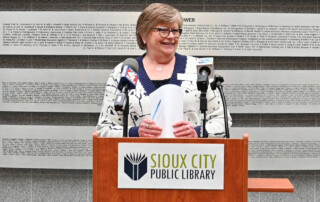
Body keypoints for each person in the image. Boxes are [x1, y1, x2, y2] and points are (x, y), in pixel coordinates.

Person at [96, 3, 232, 138]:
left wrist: (197, 132)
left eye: (175, 30)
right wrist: (136, 132)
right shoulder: (124, 71)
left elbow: (223, 121)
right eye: (163, 30)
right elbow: (104, 128)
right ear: (144, 34)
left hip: (191, 157)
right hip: (138, 158)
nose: (171, 36)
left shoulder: (201, 68)